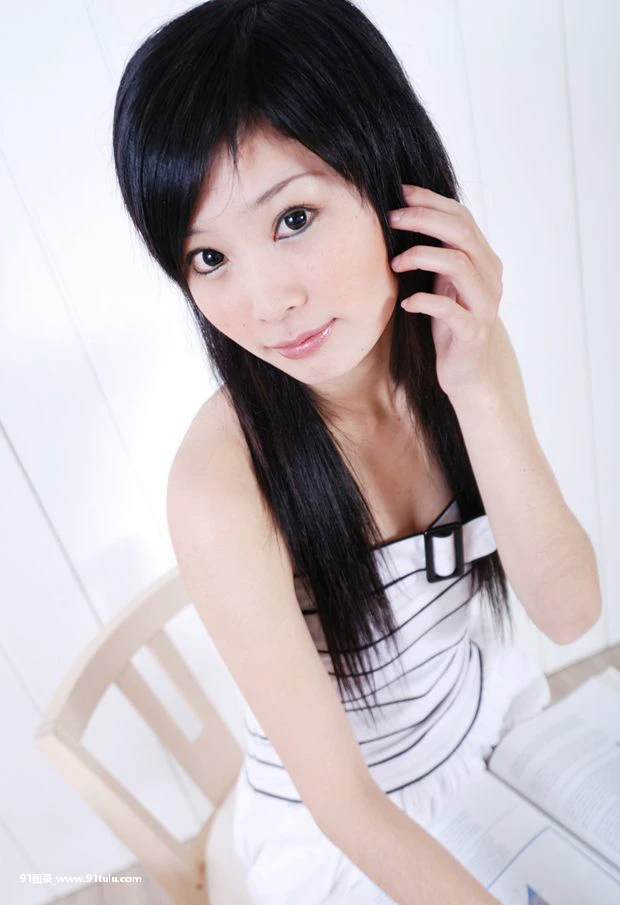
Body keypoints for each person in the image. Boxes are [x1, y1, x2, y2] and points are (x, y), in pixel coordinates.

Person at [111, 1, 562, 902]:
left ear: (392, 176)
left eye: (293, 218)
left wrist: (480, 386)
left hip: (480, 726)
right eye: (208, 258)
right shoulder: (221, 486)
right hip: (348, 834)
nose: (265, 304)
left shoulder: (458, 347)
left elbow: (569, 608)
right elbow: (346, 807)